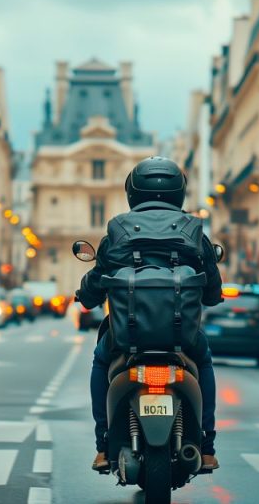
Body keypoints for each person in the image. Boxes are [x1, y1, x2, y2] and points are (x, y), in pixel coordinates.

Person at [77, 156, 223, 473]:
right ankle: (207, 446)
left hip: (126, 336)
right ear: (179, 192)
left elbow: (97, 279)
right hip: (180, 336)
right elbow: (212, 291)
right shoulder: (195, 230)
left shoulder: (116, 229)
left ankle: (103, 445)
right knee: (205, 359)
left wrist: (85, 296)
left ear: (133, 191)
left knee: (101, 361)